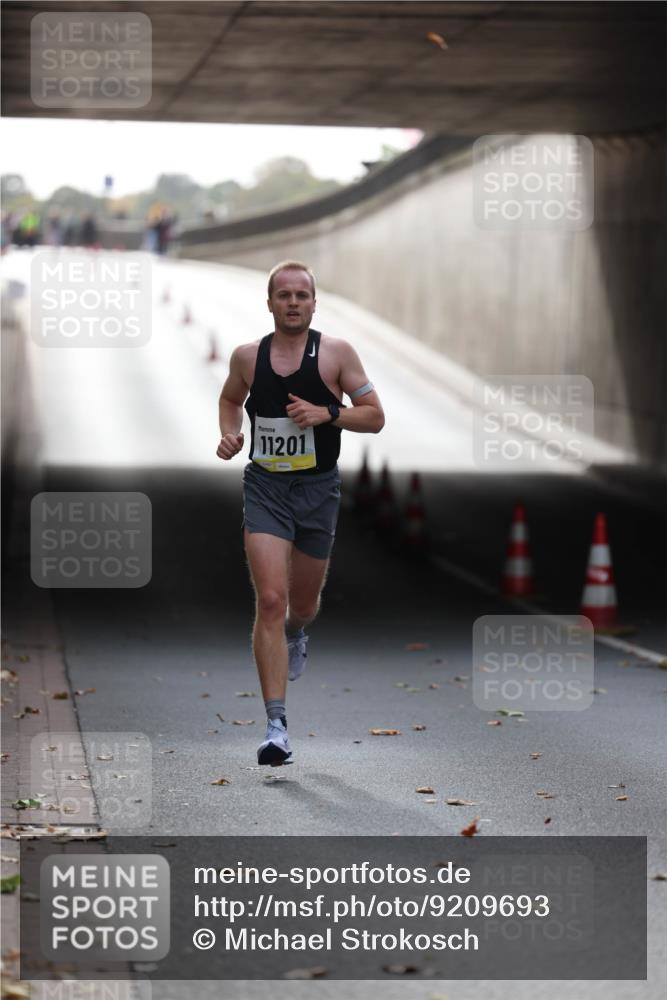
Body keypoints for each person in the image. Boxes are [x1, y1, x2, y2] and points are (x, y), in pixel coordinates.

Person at [217, 260, 384, 764]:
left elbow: (375, 417)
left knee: (301, 605)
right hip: (265, 486)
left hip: (317, 489)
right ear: (269, 304)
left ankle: (297, 632)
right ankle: (275, 727)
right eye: (283, 295)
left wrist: (328, 413)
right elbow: (230, 397)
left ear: (314, 304)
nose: (293, 303)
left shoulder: (336, 354)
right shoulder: (248, 356)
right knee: (270, 598)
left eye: (302, 296)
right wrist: (229, 433)